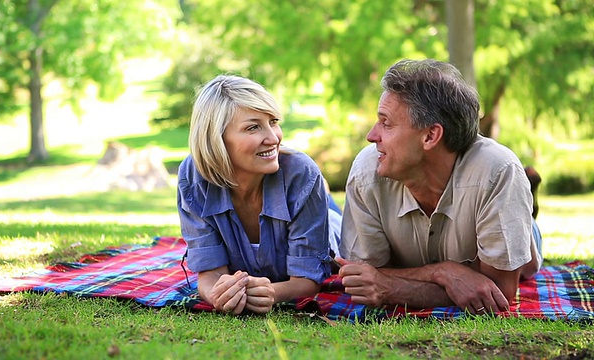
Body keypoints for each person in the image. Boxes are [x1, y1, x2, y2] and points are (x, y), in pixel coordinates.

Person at [337, 59, 543, 315]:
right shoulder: (367, 174)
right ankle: (518, 205)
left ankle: (524, 211)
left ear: (430, 136)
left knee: (526, 251)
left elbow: (497, 293)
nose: (371, 135)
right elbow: (366, 280)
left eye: (386, 123)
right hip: (474, 227)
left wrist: (390, 286)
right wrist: (444, 272)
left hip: (509, 217)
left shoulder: (497, 172)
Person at [177, 74, 341, 315]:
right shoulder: (193, 179)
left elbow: (307, 281)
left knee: (324, 206)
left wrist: (270, 294)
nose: (274, 138)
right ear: (216, 139)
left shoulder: (302, 173)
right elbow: (210, 275)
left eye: (273, 122)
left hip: (330, 227)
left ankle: (321, 194)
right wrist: (219, 295)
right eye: (253, 127)